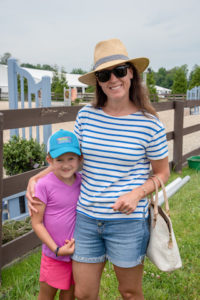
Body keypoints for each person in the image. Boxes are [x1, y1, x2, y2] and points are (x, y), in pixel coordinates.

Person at [27, 38, 170, 300]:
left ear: (131, 73)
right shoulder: (86, 116)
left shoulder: (150, 124)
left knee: (129, 292)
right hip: (87, 220)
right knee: (84, 294)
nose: (113, 79)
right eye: (105, 74)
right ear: (98, 81)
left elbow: (162, 173)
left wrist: (137, 194)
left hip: (127, 223)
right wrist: (36, 177)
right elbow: (71, 159)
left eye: (120, 71)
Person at [31, 129, 82, 300]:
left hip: (76, 254)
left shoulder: (83, 181)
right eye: (59, 159)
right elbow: (37, 223)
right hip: (54, 256)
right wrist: (56, 249)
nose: (66, 164)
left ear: (80, 158)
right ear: (49, 160)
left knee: (69, 296)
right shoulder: (43, 185)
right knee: (47, 295)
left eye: (71, 158)